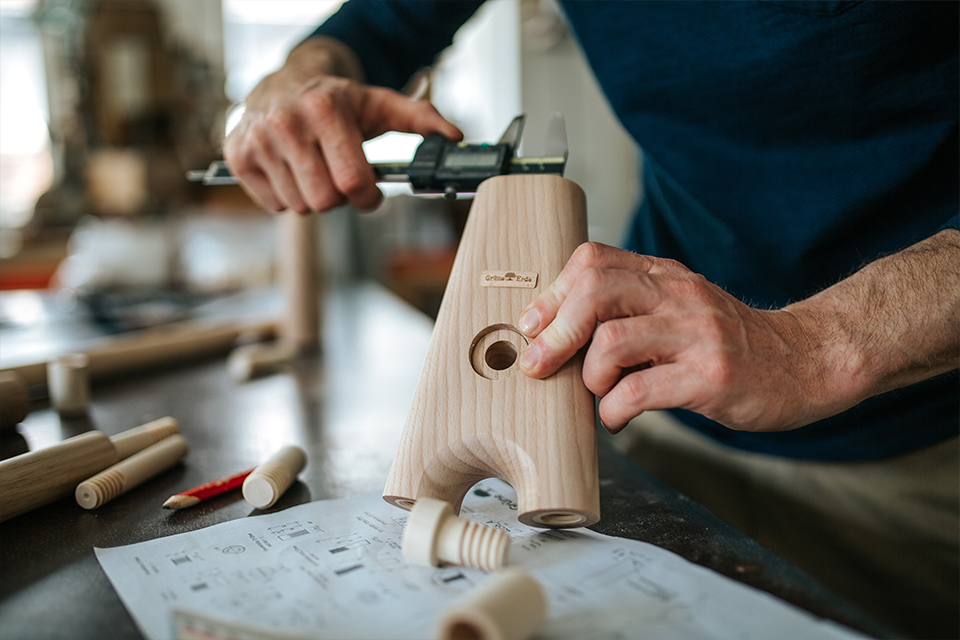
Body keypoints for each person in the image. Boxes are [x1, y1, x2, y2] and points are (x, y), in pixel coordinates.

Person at [223, 2, 959, 637]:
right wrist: (303, 75)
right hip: (660, 416)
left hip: (921, 447)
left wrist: (821, 343)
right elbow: (381, 22)